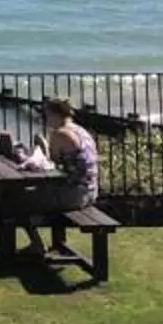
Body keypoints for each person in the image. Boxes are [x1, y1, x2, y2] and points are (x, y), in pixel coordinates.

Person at [31, 96, 100, 255]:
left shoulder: (60, 134)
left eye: (47, 115)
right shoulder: (81, 131)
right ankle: (43, 243)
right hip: (90, 191)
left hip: (74, 195)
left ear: (55, 115)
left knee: (17, 201)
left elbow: (49, 168)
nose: (46, 119)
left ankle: (36, 243)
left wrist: (42, 146)